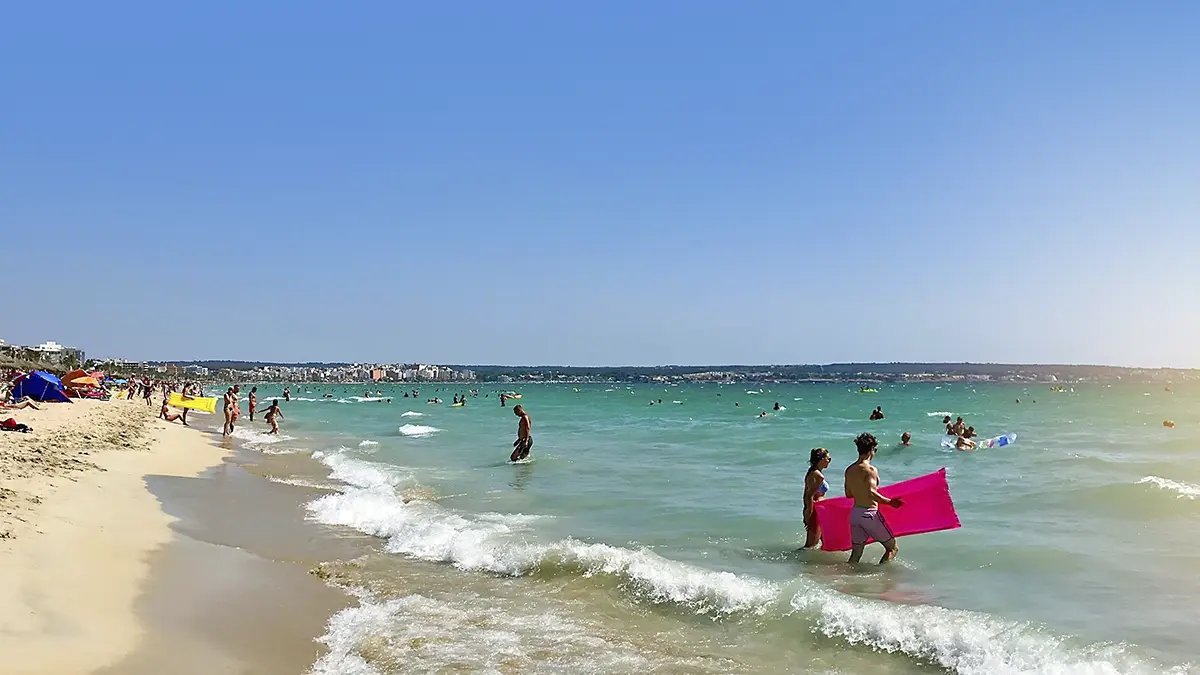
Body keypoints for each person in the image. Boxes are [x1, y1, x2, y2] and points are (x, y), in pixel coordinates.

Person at [844, 432, 903, 564]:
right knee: (892, 548)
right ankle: (881, 578)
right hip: (869, 514)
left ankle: (847, 579)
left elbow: (848, 494)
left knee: (856, 554)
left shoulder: (849, 470)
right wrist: (890, 502)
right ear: (871, 450)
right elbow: (871, 492)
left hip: (855, 514)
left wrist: (860, 491)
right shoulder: (870, 470)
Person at [803, 448, 832, 549]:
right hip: (816, 511)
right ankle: (795, 560)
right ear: (822, 459)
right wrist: (809, 513)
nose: (829, 461)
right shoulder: (817, 476)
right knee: (810, 545)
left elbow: (806, 494)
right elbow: (809, 496)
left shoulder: (812, 472)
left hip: (820, 510)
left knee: (827, 541)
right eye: (829, 459)